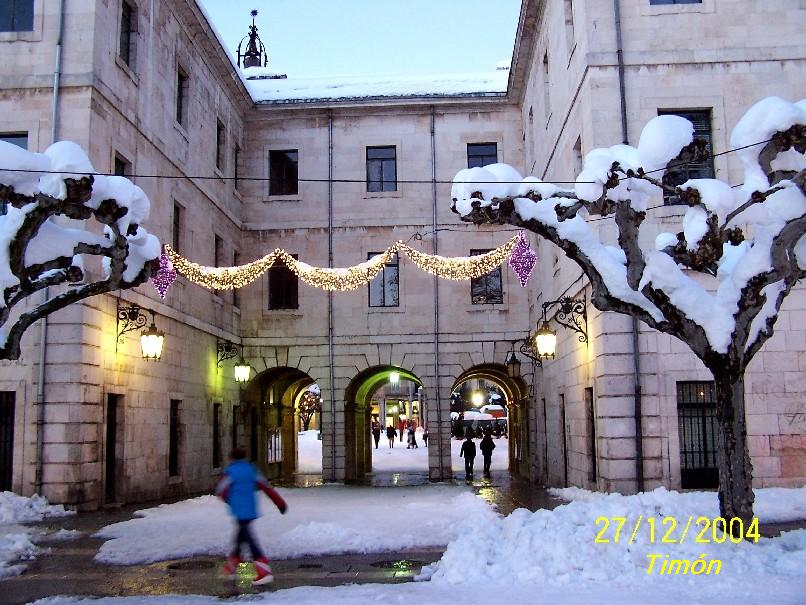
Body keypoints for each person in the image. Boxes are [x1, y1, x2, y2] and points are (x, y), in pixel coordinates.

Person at [215, 447, 287, 586]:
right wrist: (280, 504)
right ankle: (234, 563)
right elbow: (267, 488)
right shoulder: (251, 470)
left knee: (246, 536)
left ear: (232, 458)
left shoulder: (230, 472)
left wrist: (231, 501)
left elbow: (221, 490)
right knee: (241, 534)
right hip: (250, 508)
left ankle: (262, 567)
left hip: (238, 509)